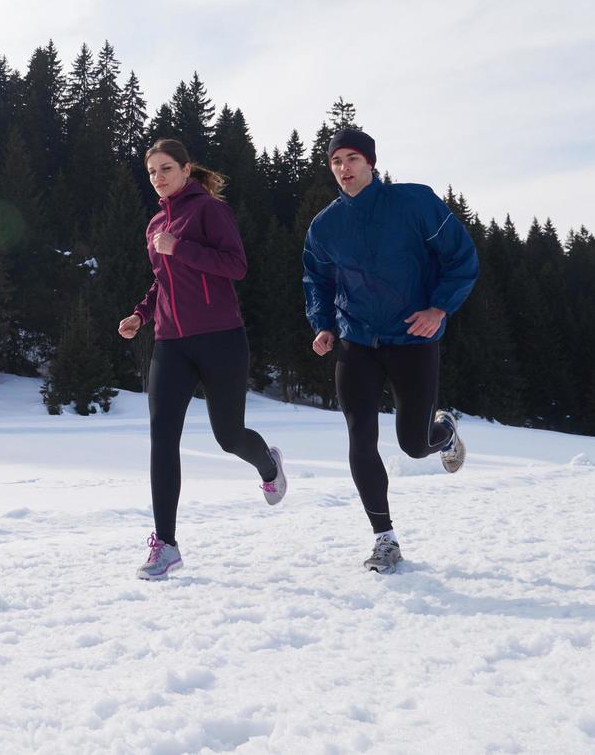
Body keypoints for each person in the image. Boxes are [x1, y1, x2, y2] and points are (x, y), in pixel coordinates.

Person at [302, 128, 478, 574]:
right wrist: (323, 325)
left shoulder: (414, 202)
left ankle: (444, 433)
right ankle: (385, 539)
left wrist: (439, 308)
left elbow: (461, 257)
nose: (344, 168)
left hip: (413, 339)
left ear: (371, 163)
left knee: (413, 444)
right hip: (356, 341)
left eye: (353, 159)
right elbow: (317, 281)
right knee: (360, 437)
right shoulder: (325, 225)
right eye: (336, 161)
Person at [118, 138, 287, 580]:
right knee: (162, 438)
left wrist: (182, 248)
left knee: (228, 436)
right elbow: (161, 283)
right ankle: (166, 545)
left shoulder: (209, 210)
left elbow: (236, 266)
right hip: (170, 343)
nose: (158, 177)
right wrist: (141, 314)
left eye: (166, 168)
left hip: (221, 338)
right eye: (152, 171)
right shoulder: (156, 223)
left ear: (186, 169)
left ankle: (267, 463)